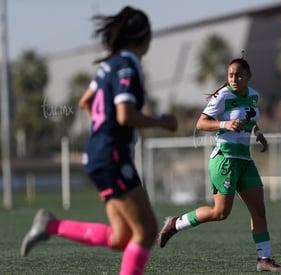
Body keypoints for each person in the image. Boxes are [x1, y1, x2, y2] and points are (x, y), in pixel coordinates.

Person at [20, 6, 177, 275]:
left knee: (122, 237)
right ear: (146, 36)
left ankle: (51, 226)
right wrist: (161, 122)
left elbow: (86, 101)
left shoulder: (109, 65)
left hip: (98, 154)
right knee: (146, 230)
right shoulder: (127, 65)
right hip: (112, 155)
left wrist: (102, 127)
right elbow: (125, 115)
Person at [158, 57, 281, 272]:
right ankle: (175, 224)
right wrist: (224, 124)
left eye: (238, 75)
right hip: (224, 159)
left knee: (259, 210)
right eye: (230, 75)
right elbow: (200, 123)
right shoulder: (223, 96)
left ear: (249, 76)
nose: (234, 79)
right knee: (220, 213)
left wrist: (258, 132)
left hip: (245, 160)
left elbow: (250, 119)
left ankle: (264, 259)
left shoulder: (254, 95)